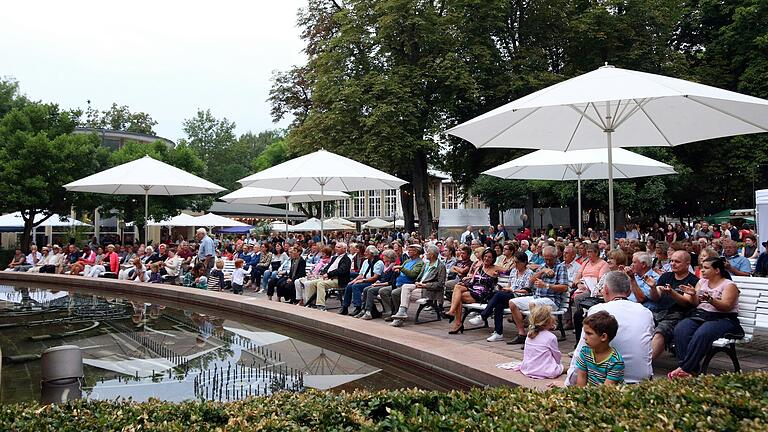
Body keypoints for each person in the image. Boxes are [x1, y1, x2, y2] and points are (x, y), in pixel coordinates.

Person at [565, 271, 654, 386]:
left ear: (606, 289)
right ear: (629, 291)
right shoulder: (645, 312)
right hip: (642, 381)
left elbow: (580, 350)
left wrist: (568, 384)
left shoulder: (597, 310)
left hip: (609, 385)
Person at [669, 257, 743, 378]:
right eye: (702, 267)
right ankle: (691, 369)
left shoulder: (729, 285)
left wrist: (710, 299)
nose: (702, 271)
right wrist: (693, 295)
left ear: (717, 270)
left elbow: (726, 307)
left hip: (724, 318)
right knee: (681, 329)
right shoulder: (702, 282)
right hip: (702, 315)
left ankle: (684, 368)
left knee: (703, 333)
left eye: (706, 268)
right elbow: (695, 304)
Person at [505, 246, 568, 345]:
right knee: (512, 303)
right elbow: (530, 282)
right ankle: (522, 334)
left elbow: (564, 287)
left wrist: (546, 285)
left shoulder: (561, 267)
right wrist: (542, 271)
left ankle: (534, 336)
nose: (547, 261)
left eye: (550, 259)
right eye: (545, 259)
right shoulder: (543, 266)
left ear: (555, 257)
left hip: (552, 300)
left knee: (533, 304)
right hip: (537, 297)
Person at [468, 252, 533, 342]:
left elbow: (527, 290)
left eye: (517, 262)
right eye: (514, 262)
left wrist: (512, 290)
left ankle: (483, 316)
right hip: (511, 295)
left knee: (498, 295)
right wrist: (506, 288)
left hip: (522, 297)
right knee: (499, 304)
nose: (515, 264)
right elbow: (510, 285)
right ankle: (498, 333)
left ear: (524, 262)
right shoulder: (514, 271)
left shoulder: (529, 273)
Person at [646, 250, 699, 360]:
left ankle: (645, 365)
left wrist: (672, 293)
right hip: (659, 312)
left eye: (677, 262)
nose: (672, 264)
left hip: (678, 315)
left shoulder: (693, 280)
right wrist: (652, 288)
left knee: (661, 330)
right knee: (639, 324)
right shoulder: (666, 276)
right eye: (671, 261)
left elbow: (686, 303)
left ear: (687, 264)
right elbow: (656, 297)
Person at [446, 248, 501, 334]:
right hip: (473, 288)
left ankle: (456, 320)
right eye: (485, 256)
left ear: (493, 259)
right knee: (457, 287)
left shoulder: (495, 268)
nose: (486, 258)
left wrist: (497, 275)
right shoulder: (479, 267)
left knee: (457, 298)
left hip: (483, 293)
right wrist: (465, 284)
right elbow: (472, 281)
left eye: (489, 257)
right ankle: (453, 314)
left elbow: (508, 270)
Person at [390, 244, 446, 327]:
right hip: (419, 286)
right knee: (405, 287)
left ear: (432, 254)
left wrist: (425, 285)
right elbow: (419, 277)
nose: (425, 254)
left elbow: (440, 284)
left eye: (427, 252)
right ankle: (401, 313)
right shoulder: (426, 264)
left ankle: (400, 317)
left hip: (429, 290)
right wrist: (417, 283)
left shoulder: (441, 266)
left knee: (404, 294)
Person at [511, 304, 563, 379]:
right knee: (564, 368)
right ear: (549, 321)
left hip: (528, 368)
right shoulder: (551, 337)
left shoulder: (530, 334)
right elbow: (557, 355)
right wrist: (557, 364)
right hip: (545, 370)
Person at [575, 311, 624, 386]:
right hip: (588, 393)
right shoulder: (585, 351)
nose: (584, 337)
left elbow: (607, 390)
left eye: (589, 333)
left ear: (603, 337)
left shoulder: (615, 361)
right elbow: (581, 377)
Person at [380, 244, 425, 320]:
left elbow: (413, 274)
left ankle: (398, 314)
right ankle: (390, 311)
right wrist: (398, 270)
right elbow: (401, 270)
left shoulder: (420, 263)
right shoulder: (407, 261)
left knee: (395, 293)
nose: (409, 252)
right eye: (409, 250)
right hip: (397, 283)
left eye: (411, 250)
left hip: (407, 284)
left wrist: (401, 268)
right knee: (383, 291)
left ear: (416, 252)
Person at [305, 242, 352, 311]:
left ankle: (321, 305)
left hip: (339, 280)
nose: (336, 249)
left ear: (344, 249)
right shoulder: (334, 258)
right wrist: (325, 273)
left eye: (339, 247)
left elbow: (341, 270)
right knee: (311, 283)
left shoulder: (346, 259)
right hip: (329, 278)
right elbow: (327, 267)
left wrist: (329, 274)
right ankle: (311, 303)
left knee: (320, 284)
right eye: (336, 247)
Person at [340, 246, 383, 316]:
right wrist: (354, 280)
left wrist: (362, 281)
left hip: (373, 282)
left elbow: (375, 277)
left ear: (372, 254)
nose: (365, 254)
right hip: (365, 280)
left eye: (367, 252)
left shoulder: (379, 262)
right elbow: (361, 274)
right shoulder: (366, 261)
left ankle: (358, 307)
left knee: (356, 286)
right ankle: (345, 307)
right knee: (349, 285)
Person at [358, 249, 398, 320]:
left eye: (384, 256)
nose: (382, 257)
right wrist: (378, 282)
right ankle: (364, 309)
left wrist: (379, 284)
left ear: (389, 257)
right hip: (382, 284)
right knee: (366, 289)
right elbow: (382, 278)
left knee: (371, 290)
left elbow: (391, 282)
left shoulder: (394, 267)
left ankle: (368, 312)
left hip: (388, 285)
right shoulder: (385, 266)